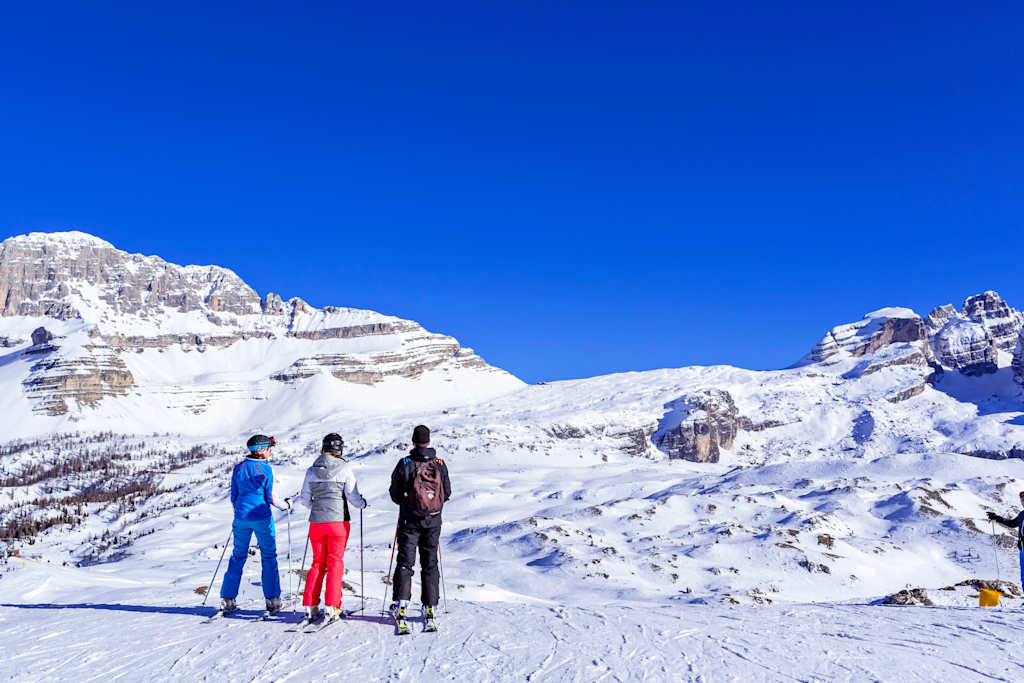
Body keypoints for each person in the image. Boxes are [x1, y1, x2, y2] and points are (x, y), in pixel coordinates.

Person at [291, 433, 366, 622]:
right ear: (339, 449)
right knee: (335, 564)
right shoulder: (345, 468)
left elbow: (304, 500)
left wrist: (317, 507)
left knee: (317, 562)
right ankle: (332, 606)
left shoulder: (311, 471)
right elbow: (353, 497)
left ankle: (310, 605)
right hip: (338, 522)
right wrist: (363, 503)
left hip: (316, 522)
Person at [220, 434, 290, 615]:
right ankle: (273, 600)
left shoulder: (238, 468)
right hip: (261, 518)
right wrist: (286, 506)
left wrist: (239, 512)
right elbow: (270, 497)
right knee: (268, 556)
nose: (270, 451)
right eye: (269, 448)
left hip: (241, 518)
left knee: (237, 556)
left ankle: (228, 599)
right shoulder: (265, 469)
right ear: (261, 451)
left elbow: (234, 496)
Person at [388, 425, 451, 626]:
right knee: (430, 563)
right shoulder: (440, 464)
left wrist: (407, 503)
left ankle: (401, 605)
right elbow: (446, 493)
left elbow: (395, 493)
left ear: (413, 442)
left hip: (409, 520)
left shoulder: (405, 463)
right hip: (433, 521)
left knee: (406, 562)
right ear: (429, 442)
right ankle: (430, 606)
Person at [988, 491, 1024, 589]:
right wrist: (997, 518)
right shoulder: (1022, 515)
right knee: (1023, 576)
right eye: (1022, 500)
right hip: (1022, 550)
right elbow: (1012, 523)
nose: (1023, 501)